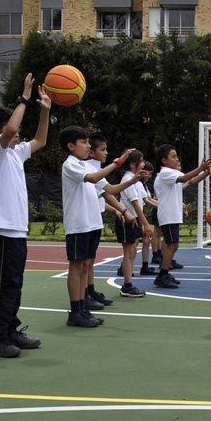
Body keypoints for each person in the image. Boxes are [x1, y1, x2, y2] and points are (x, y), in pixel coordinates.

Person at [0, 74, 51, 358]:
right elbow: (11, 130)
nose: (17, 131)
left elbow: (41, 140)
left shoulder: (15, 153)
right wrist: (23, 97)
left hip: (16, 229)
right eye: (11, 126)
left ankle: (9, 330)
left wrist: (44, 110)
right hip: (0, 229)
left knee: (14, 283)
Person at [59, 127, 143, 326]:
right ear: (71, 146)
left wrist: (134, 179)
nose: (88, 146)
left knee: (84, 267)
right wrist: (117, 163)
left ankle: (82, 308)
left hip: (90, 223)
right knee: (76, 267)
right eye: (83, 142)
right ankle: (75, 311)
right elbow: (93, 179)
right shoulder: (71, 165)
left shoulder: (88, 167)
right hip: (78, 224)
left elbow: (111, 189)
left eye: (89, 142)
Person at [152, 144, 210, 289]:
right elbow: (185, 178)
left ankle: (164, 272)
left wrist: (208, 172)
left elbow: (192, 181)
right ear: (164, 160)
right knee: (172, 245)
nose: (176, 159)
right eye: (173, 156)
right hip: (168, 215)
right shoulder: (165, 173)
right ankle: (162, 275)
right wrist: (201, 168)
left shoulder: (172, 174)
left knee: (173, 245)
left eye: (176, 156)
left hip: (172, 215)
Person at [115, 150, 151, 298]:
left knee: (131, 253)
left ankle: (128, 282)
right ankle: (127, 285)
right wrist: (146, 223)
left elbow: (143, 201)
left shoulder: (136, 181)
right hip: (126, 220)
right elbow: (135, 204)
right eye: (140, 162)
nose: (143, 164)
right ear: (132, 164)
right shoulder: (127, 179)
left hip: (133, 219)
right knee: (128, 253)